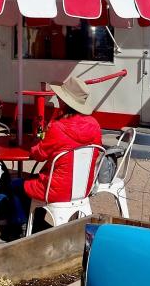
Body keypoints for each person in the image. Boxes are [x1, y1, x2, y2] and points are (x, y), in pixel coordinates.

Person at [9, 75, 102, 233]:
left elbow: (39, 154)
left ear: (65, 101)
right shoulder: (94, 125)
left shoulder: (58, 127)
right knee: (33, 180)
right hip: (82, 186)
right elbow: (96, 150)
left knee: (16, 185)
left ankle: (21, 225)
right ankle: (36, 222)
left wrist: (36, 142)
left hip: (56, 189)